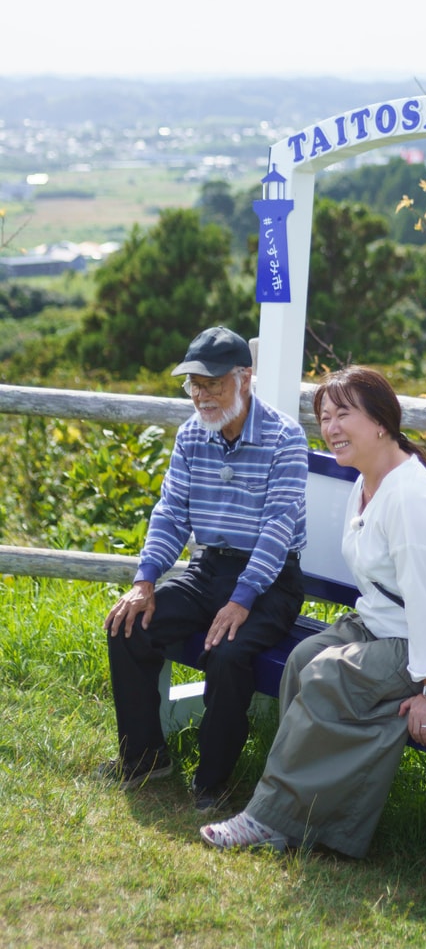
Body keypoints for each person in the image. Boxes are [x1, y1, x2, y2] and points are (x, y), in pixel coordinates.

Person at [199, 364, 426, 855]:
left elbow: (424, 602)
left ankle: (267, 818)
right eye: (325, 417)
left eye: (343, 415)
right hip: (384, 626)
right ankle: (303, 818)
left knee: (326, 676)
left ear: (381, 422)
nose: (331, 428)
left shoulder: (409, 496)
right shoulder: (367, 481)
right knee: (301, 661)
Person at [100, 325, 308, 812]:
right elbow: (171, 513)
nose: (201, 395)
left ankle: (212, 782)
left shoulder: (285, 438)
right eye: (194, 383)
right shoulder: (192, 434)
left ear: (245, 378)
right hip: (209, 567)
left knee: (229, 655)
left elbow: (279, 530)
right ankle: (145, 758)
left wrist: (243, 598)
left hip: (271, 579)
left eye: (212, 383)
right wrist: (145, 581)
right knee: (127, 626)